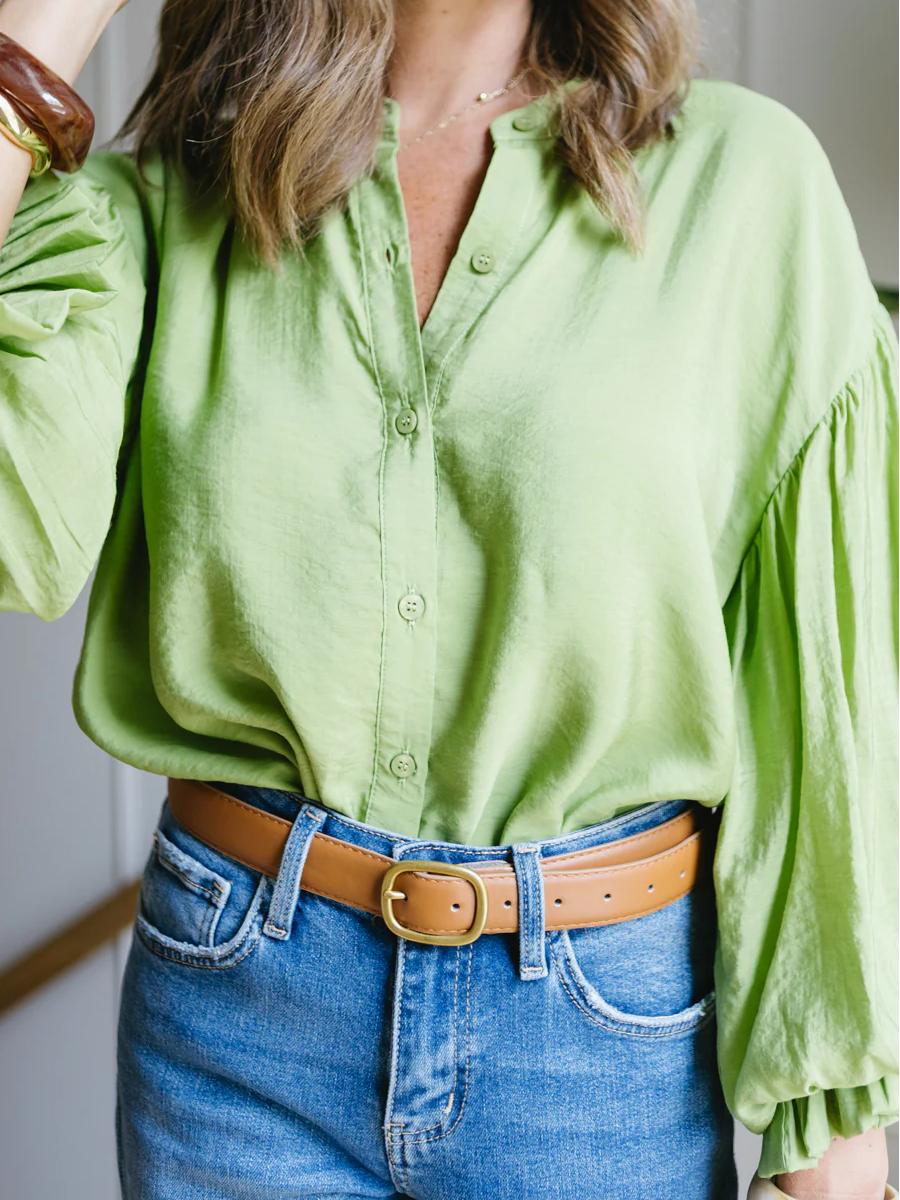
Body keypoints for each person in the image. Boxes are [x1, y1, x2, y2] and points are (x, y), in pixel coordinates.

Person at [0, 0, 896, 1197]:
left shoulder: (745, 184)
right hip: (233, 1032)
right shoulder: (168, 198)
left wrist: (834, 1142)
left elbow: (818, 706)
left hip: (597, 1051)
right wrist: (30, 48)